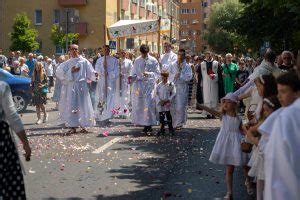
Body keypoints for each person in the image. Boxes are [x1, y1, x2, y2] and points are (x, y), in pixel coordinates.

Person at [198, 93, 252, 200]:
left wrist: (248, 137)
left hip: (237, 143)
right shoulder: (223, 116)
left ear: (235, 104)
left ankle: (249, 182)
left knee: (245, 165)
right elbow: (210, 111)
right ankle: (229, 192)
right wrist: (200, 105)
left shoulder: (238, 118)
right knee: (229, 169)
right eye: (224, 101)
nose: (225, 103)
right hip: (226, 145)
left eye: (228, 101)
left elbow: (241, 130)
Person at [264, 70, 300, 200]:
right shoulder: (282, 114)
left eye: (284, 92)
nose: (279, 96)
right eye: (278, 92)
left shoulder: (288, 116)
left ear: (297, 93)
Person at [56, 44, 98, 135]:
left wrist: (95, 74)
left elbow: (91, 72)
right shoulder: (67, 63)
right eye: (72, 49)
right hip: (72, 87)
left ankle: (84, 125)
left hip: (82, 86)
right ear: (69, 51)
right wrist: (71, 71)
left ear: (78, 50)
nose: (74, 51)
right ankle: (73, 126)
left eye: (76, 49)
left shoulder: (84, 61)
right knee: (72, 105)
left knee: (83, 106)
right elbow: (59, 72)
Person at [245, 96, 281, 200]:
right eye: (264, 110)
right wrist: (254, 138)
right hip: (263, 154)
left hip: (274, 155)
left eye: (267, 110)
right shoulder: (265, 121)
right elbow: (252, 131)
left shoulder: (278, 122)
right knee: (261, 179)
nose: (265, 113)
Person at [0, 81, 31, 199]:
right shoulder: (2, 86)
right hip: (2, 144)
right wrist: (26, 144)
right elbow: (12, 116)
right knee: (9, 185)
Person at [130, 44, 160, 133]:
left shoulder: (153, 60)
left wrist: (149, 74)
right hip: (139, 85)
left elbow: (158, 74)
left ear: (148, 52)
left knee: (149, 104)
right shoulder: (137, 60)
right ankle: (143, 122)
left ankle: (149, 124)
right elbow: (134, 72)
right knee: (141, 105)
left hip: (149, 85)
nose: (144, 55)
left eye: (145, 53)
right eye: (142, 53)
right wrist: (133, 77)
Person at [95, 45, 119, 124]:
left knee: (110, 96)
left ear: (109, 50)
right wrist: (102, 72)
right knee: (102, 96)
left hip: (110, 81)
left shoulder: (114, 60)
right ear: (102, 50)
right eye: (104, 49)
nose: (106, 51)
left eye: (107, 49)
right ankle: (102, 112)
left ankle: (108, 114)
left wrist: (109, 73)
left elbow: (116, 71)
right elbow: (97, 70)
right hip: (102, 80)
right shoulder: (99, 60)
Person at [171, 49, 193, 129]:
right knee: (173, 106)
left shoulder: (187, 66)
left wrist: (180, 75)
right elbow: (169, 75)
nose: (180, 57)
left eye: (182, 55)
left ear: (184, 56)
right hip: (173, 87)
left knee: (180, 106)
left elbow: (189, 77)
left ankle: (179, 123)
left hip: (182, 88)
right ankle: (173, 123)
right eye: (179, 55)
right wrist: (174, 76)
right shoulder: (172, 64)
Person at [155, 71, 176, 136]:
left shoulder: (171, 84)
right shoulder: (159, 85)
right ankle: (162, 129)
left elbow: (174, 92)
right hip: (161, 103)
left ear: (167, 77)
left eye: (165, 77)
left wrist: (169, 100)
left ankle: (170, 129)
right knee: (161, 116)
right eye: (162, 77)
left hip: (167, 102)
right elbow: (156, 93)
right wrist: (159, 101)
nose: (164, 78)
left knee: (168, 115)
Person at [200, 51, 219, 118]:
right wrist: (201, 82)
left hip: (214, 82)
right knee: (207, 97)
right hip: (206, 83)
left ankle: (213, 113)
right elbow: (200, 75)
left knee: (214, 97)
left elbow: (219, 73)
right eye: (207, 56)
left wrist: (215, 76)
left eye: (210, 55)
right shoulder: (202, 64)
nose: (208, 57)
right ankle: (208, 113)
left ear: (212, 55)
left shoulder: (216, 63)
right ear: (205, 56)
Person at [116, 49, 133, 118]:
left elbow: (131, 71)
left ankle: (125, 112)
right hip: (118, 81)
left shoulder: (129, 62)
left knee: (125, 96)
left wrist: (125, 75)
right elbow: (114, 70)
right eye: (122, 53)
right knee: (118, 96)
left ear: (126, 54)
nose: (123, 54)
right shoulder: (117, 61)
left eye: (124, 53)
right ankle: (118, 112)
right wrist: (118, 74)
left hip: (125, 81)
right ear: (120, 54)